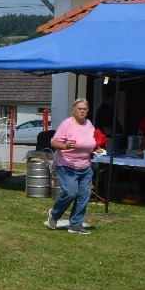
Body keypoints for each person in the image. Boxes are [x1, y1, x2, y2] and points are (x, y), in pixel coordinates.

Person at [46, 98, 96, 235]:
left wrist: (96, 148)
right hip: (67, 165)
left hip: (85, 166)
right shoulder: (66, 124)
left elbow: (91, 141)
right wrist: (66, 146)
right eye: (79, 108)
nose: (82, 111)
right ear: (73, 110)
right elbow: (54, 143)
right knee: (70, 192)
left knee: (84, 195)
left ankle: (75, 224)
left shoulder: (88, 124)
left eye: (85, 109)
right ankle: (54, 214)